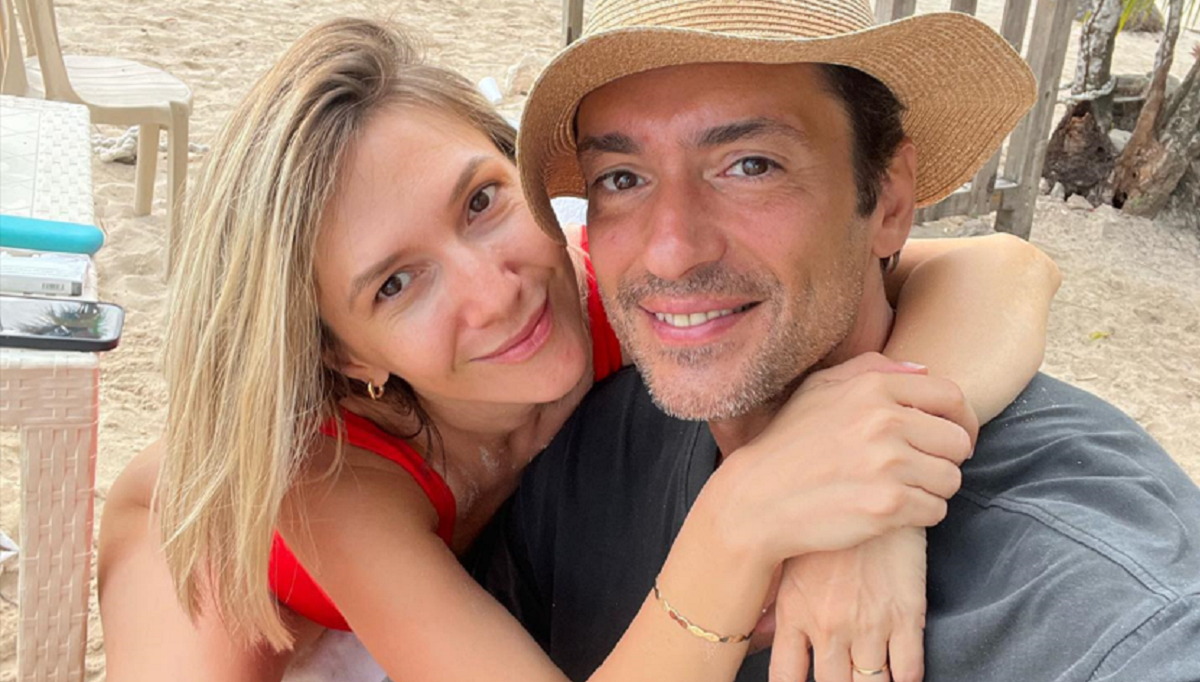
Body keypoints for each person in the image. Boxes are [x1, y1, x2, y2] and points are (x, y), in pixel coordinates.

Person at [96, 16, 1064, 682]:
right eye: (395, 283)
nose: (496, 290)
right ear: (347, 358)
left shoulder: (633, 277)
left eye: (481, 202)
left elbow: (1001, 270)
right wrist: (744, 515)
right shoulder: (324, 478)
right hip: (213, 548)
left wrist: (878, 486)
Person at [474, 1, 1200, 681]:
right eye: (621, 178)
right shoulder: (592, 461)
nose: (670, 253)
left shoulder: (1093, 598)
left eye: (751, 165)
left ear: (890, 200)